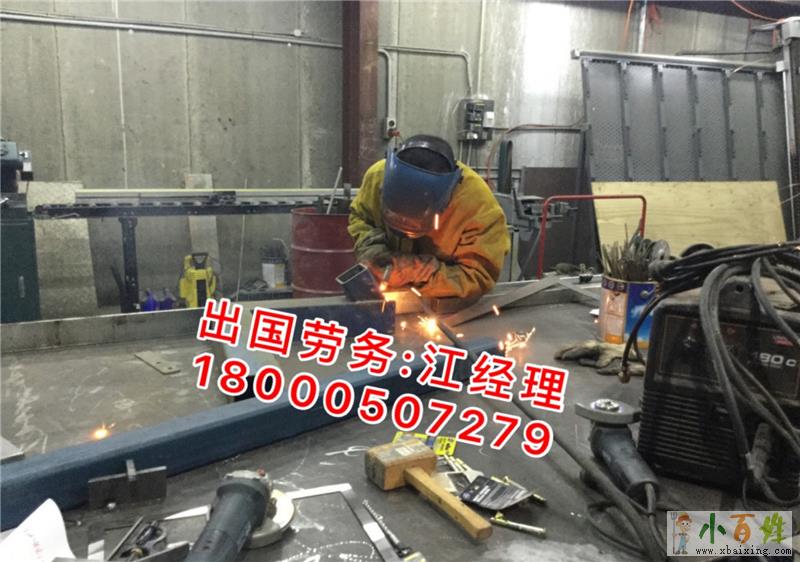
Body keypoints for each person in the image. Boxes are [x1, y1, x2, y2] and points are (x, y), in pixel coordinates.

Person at [348, 135, 509, 300]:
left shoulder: (478, 205)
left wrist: (419, 270)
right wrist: (372, 247)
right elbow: (361, 217)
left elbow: (478, 275)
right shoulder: (377, 177)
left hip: (447, 302)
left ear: (446, 199)